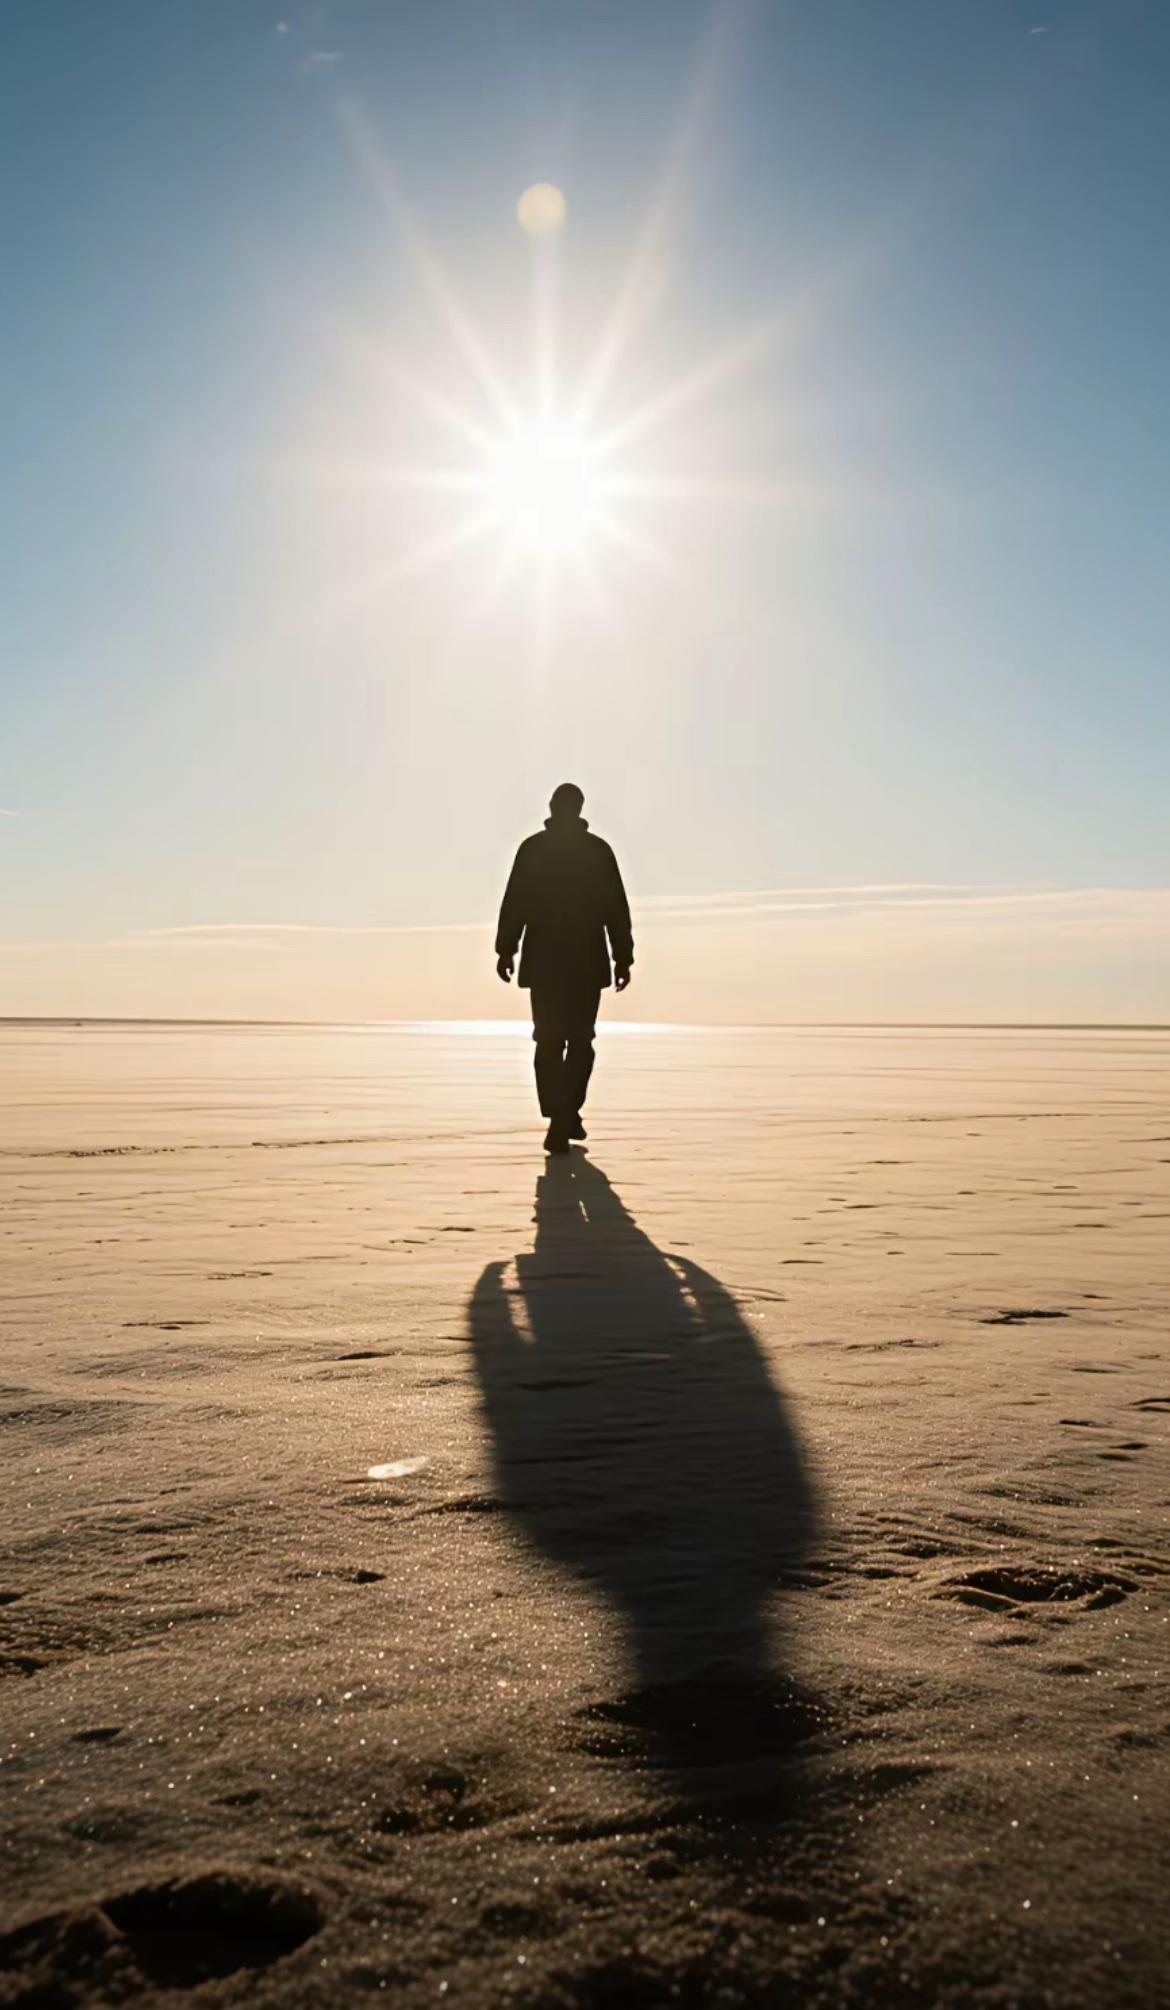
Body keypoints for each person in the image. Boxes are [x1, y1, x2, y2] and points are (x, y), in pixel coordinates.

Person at [495, 783, 633, 1153]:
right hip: (579, 961)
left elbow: (515, 903)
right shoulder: (593, 851)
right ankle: (564, 1113)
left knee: (553, 1040)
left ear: (556, 807)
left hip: (552, 962)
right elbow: (616, 910)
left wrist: (506, 949)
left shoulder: (540, 849)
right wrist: (623, 956)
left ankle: (561, 1114)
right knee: (574, 1040)